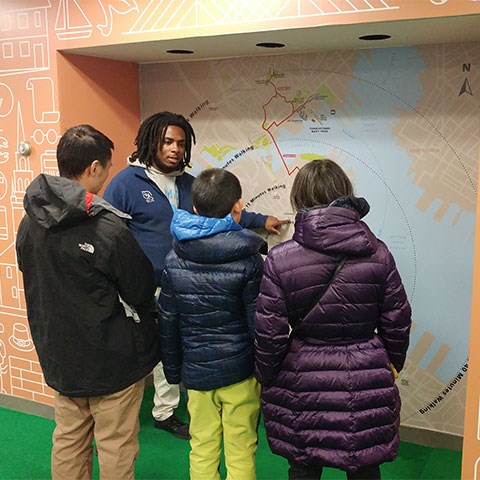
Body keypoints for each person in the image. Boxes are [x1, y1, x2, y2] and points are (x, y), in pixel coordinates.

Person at [103, 111, 288, 439]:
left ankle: (195, 406)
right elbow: (109, 234)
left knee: (190, 346)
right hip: (150, 287)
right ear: (151, 142)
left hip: (193, 279)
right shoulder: (124, 184)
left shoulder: (190, 183)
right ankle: (165, 412)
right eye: (167, 142)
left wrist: (262, 220)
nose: (175, 149)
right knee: (164, 348)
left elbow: (222, 210)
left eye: (180, 143)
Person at [16, 125, 161, 480]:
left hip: (59, 355)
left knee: (68, 439)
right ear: (94, 167)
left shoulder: (29, 223)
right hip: (111, 359)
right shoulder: (107, 227)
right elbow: (141, 288)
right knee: (115, 445)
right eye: (108, 167)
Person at [254, 159, 412, 480]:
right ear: (345, 195)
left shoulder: (280, 259)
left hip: (301, 375)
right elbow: (397, 318)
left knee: (303, 465)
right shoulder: (378, 252)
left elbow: (269, 332)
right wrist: (392, 363)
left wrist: (267, 375)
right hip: (366, 370)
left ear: (299, 199)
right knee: (365, 466)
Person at [158, 168, 264, 480]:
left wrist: (174, 372)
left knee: (202, 445)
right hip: (241, 373)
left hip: (196, 373)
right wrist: (266, 371)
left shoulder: (174, 259)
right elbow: (258, 324)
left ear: (194, 208)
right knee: (241, 446)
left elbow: (168, 322)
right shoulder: (249, 261)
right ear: (237, 207)